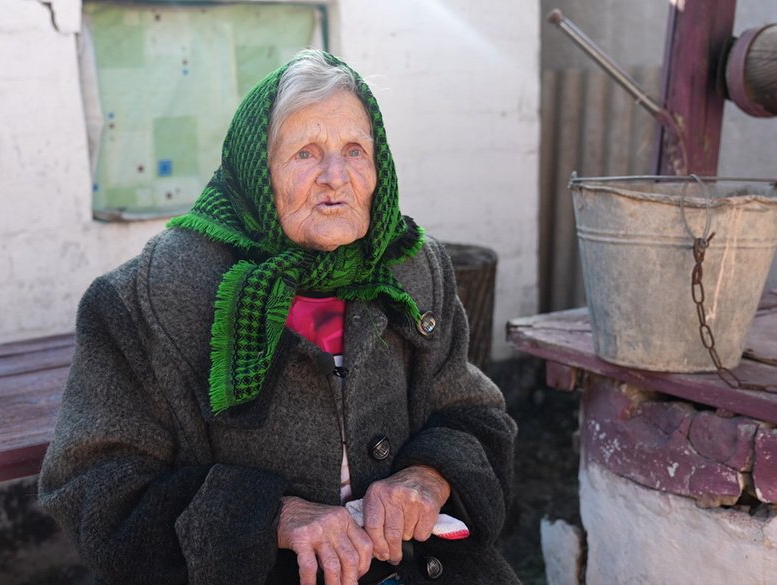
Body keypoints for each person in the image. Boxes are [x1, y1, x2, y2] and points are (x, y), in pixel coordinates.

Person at [38, 49, 519, 585]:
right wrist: (270, 517)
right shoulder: (143, 299)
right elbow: (94, 488)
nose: (336, 177)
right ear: (255, 171)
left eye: (355, 151)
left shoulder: (410, 267)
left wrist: (429, 475)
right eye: (306, 153)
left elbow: (474, 413)